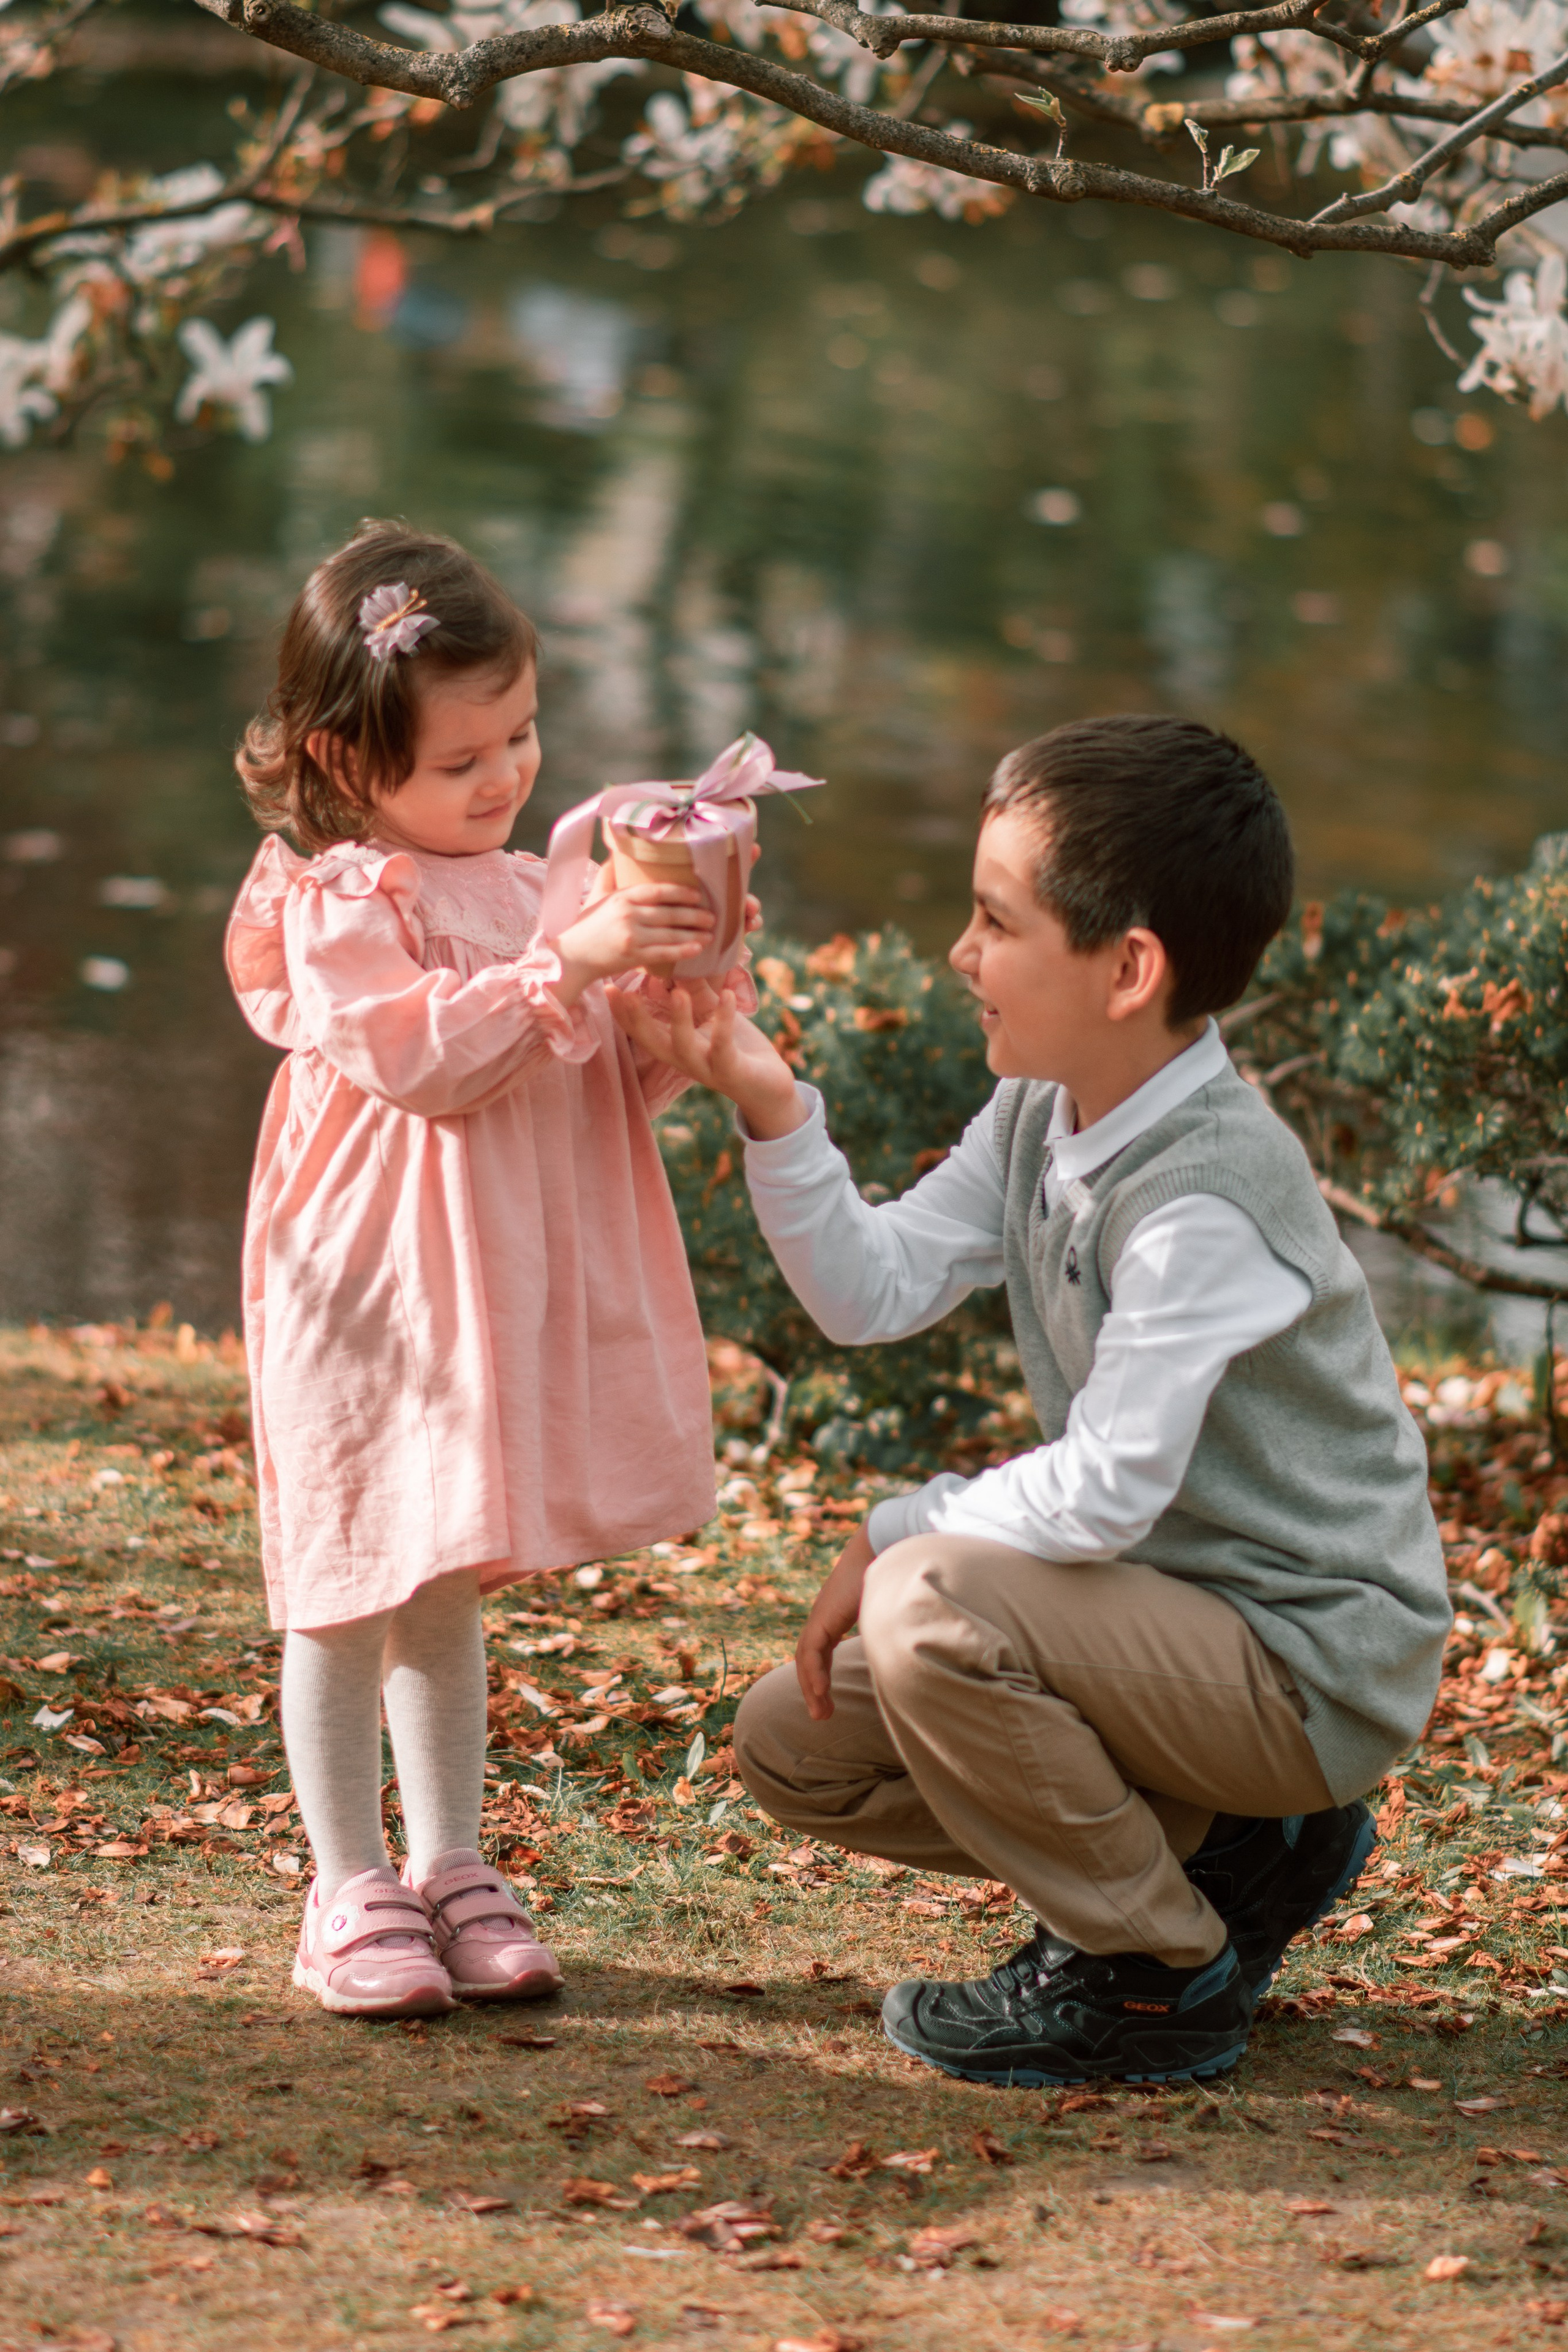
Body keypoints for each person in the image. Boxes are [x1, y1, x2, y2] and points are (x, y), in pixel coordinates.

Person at [614, 714, 1450, 2087]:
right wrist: (767, 1102)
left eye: (995, 922)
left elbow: (1108, 1485)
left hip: (1308, 1665)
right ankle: (1245, 1848)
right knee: (795, 1748)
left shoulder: (1199, 1199)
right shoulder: (1044, 1114)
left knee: (928, 1603)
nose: (961, 954)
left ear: (1128, 970)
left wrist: (894, 1528)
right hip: (1162, 1630)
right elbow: (874, 1288)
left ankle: (1152, 1977)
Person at [226, 519, 749, 2019]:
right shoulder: (345, 900)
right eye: (461, 759)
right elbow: (423, 1059)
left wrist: (679, 967)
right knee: (349, 1571)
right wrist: (565, 963)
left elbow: (589, 1080)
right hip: (365, 1280)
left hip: (478, 1278)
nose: (505, 776)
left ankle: (449, 1859)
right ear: (342, 760)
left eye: (519, 736)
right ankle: (344, 1882)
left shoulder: (539, 889)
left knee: (443, 1563)